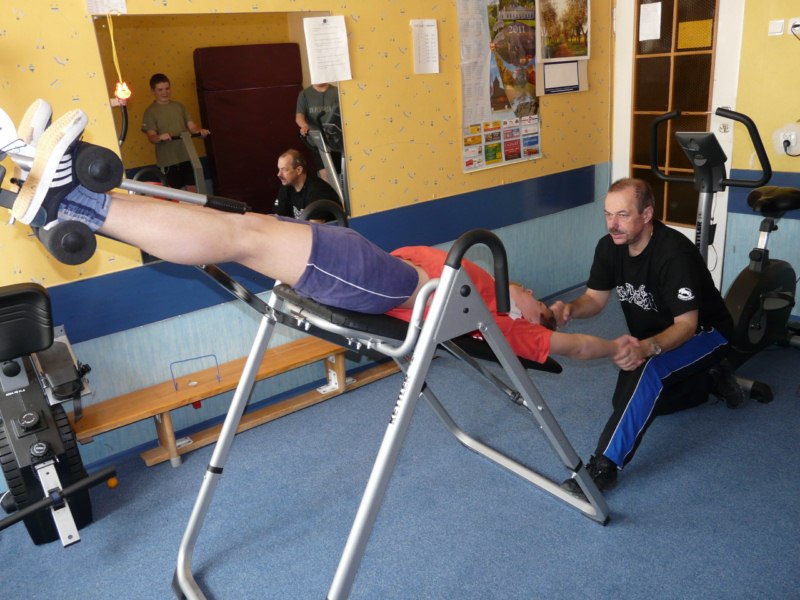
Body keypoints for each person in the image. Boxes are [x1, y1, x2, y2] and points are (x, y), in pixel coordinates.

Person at [13, 108, 641, 369]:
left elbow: (573, 345)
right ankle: (72, 194)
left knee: (239, 237)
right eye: (532, 294)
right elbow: (561, 310)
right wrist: (560, 304)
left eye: (535, 301)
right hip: (369, 264)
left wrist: (615, 345)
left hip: (383, 284)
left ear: (527, 318)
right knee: (241, 226)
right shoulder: (495, 291)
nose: (530, 292)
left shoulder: (507, 324)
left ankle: (80, 203)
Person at [549, 178, 745, 498]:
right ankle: (709, 381)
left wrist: (645, 348)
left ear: (647, 214)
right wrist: (570, 308)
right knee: (627, 402)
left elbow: (686, 325)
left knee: (649, 371)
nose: (612, 224)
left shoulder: (673, 254)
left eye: (623, 215)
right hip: (657, 334)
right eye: (608, 214)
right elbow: (595, 299)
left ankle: (604, 467)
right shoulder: (609, 247)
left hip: (706, 332)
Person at [141, 73, 210, 192]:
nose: (165, 92)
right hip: (169, 161)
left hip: (187, 157)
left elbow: (193, 128)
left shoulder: (179, 106)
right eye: (160, 90)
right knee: (177, 195)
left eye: (167, 88)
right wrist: (160, 137)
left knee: (194, 192)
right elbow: (151, 137)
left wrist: (201, 132)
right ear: (153, 91)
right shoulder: (150, 112)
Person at [273, 149, 341, 219]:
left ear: (299, 170)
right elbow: (277, 217)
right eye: (279, 169)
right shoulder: (287, 186)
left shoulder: (317, 190)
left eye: (285, 170)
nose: (279, 174)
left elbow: (315, 224)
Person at [295, 82, 341, 182]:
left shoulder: (337, 92)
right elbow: (299, 116)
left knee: (339, 173)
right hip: (316, 142)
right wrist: (304, 126)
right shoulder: (304, 94)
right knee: (325, 173)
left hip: (335, 140)